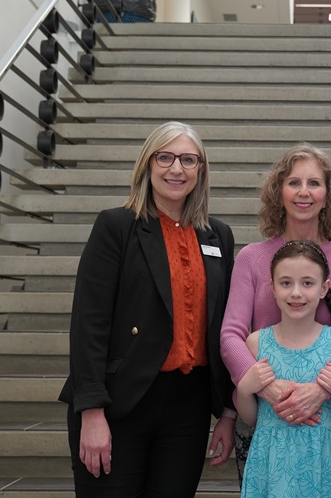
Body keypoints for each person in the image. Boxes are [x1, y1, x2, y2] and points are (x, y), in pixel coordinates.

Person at [59, 121, 237, 497]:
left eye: (189, 160)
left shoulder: (217, 236)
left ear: (201, 170)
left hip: (187, 407)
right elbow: (89, 323)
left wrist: (228, 411)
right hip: (119, 401)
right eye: (166, 157)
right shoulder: (116, 226)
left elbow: (225, 325)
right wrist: (91, 411)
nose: (177, 169)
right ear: (147, 164)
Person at [220, 143, 331, 480]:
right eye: (294, 182)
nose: (304, 192)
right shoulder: (251, 258)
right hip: (262, 412)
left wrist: (321, 390)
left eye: (314, 183)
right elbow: (231, 334)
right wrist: (267, 388)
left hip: (325, 415)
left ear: (328, 195)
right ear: (279, 192)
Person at [235, 240, 331, 498]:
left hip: (320, 459)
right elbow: (251, 418)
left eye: (307, 283)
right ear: (272, 287)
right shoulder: (256, 343)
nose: (296, 293)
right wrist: (244, 390)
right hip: (270, 460)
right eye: (286, 283)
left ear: (324, 288)